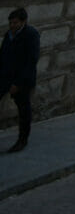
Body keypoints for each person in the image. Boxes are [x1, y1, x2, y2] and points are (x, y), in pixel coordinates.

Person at [0, 8, 40, 153]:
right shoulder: (9, 35)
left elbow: (31, 61)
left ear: (23, 22)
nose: (12, 25)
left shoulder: (31, 35)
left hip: (22, 80)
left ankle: (22, 140)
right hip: (5, 77)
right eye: (10, 23)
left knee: (24, 110)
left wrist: (18, 83)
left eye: (15, 23)